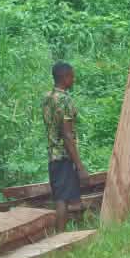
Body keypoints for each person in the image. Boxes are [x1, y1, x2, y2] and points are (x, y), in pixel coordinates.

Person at [43, 62, 90, 232]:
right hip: (64, 156)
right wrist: (80, 165)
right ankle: (61, 239)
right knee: (63, 201)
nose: (74, 79)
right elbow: (67, 135)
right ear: (65, 78)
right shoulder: (65, 100)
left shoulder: (47, 97)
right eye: (72, 76)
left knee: (63, 197)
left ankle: (75, 235)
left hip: (53, 155)